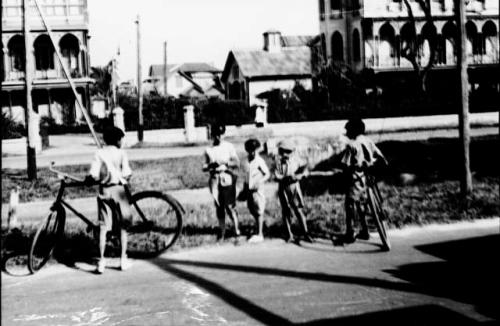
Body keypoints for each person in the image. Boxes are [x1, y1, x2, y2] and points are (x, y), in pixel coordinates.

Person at [85, 126, 132, 274]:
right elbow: (127, 173)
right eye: (121, 140)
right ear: (117, 140)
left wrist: (89, 179)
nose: (122, 142)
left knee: (103, 227)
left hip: (104, 191)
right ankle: (123, 259)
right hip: (119, 191)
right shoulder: (121, 153)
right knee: (123, 226)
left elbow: (93, 174)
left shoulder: (99, 153)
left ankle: (101, 262)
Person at [338, 118, 387, 244]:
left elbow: (345, 164)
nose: (347, 133)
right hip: (368, 178)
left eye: (348, 131)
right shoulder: (368, 141)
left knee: (350, 204)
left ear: (353, 131)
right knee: (362, 205)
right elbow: (380, 155)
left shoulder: (353, 145)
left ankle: (350, 233)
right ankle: (365, 230)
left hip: (356, 179)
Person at [203, 123, 241, 241]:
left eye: (220, 135)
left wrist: (224, 163)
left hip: (226, 178)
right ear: (213, 135)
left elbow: (237, 163)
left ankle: (236, 230)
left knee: (229, 205)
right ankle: (222, 231)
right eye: (216, 135)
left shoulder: (229, 146)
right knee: (219, 206)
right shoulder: (208, 150)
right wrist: (210, 165)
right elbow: (203, 166)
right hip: (214, 179)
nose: (218, 137)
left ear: (223, 134)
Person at [275, 139, 314, 244]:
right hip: (283, 188)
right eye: (282, 151)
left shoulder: (296, 160)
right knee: (286, 211)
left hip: (294, 187)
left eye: (288, 151)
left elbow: (305, 170)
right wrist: (284, 177)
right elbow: (277, 175)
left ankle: (306, 233)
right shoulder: (278, 162)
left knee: (298, 210)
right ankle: (289, 234)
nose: (285, 154)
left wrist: (300, 175)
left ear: (292, 152)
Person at [240, 138, 270, 243]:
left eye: (254, 150)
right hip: (249, 188)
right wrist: (244, 189)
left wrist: (260, 181)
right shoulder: (245, 161)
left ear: (257, 149)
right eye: (250, 150)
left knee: (259, 210)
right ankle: (259, 227)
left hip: (257, 189)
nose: (252, 152)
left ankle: (260, 233)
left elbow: (267, 174)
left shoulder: (259, 161)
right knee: (251, 208)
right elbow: (245, 176)